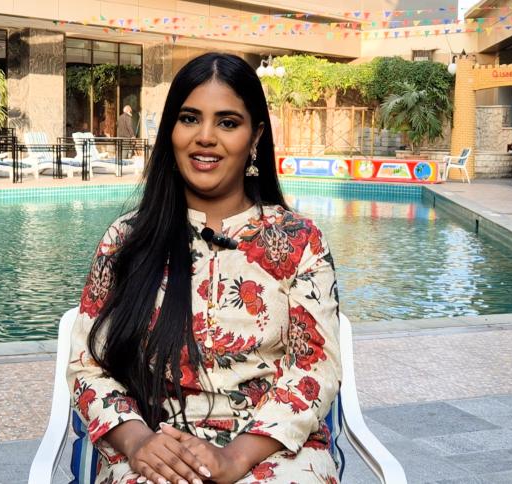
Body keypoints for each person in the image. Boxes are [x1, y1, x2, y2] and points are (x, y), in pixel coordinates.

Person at [67, 53, 342, 484]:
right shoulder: (125, 240)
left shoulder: (299, 241)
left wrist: (234, 458)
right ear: (171, 131)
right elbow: (89, 366)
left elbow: (314, 369)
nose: (206, 137)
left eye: (228, 122)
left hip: (272, 448)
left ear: (255, 137)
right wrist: (138, 442)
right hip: (157, 445)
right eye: (189, 119)